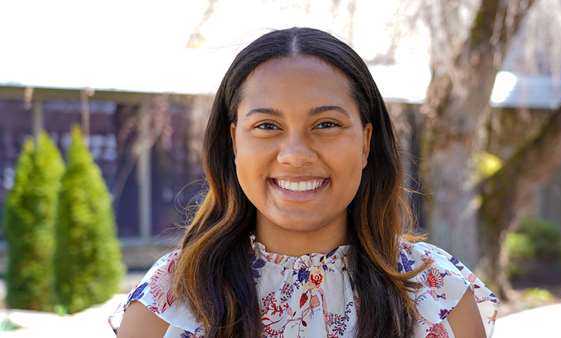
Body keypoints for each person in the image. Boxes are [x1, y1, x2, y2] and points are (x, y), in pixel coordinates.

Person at [108, 27, 498, 338]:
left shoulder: (437, 293)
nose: (295, 154)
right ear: (233, 143)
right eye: (267, 126)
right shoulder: (171, 297)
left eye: (326, 124)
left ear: (365, 143)